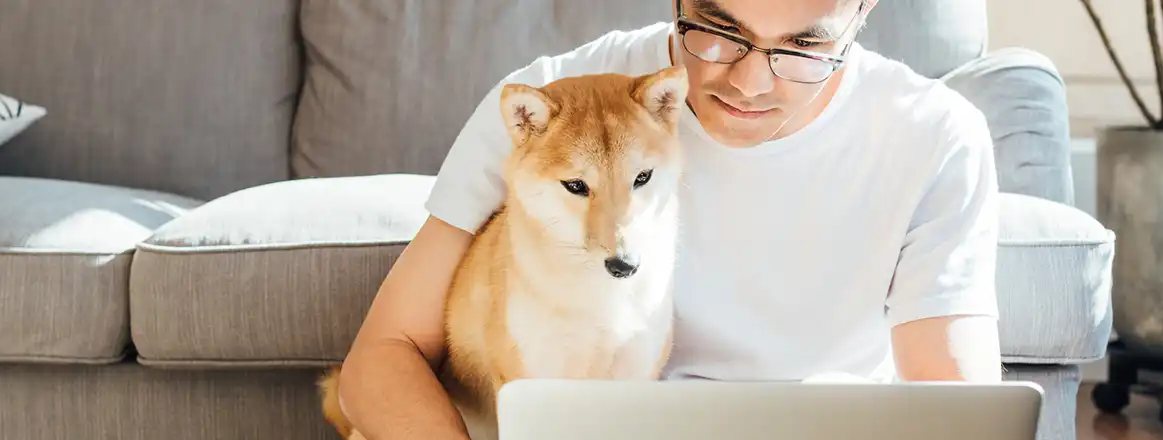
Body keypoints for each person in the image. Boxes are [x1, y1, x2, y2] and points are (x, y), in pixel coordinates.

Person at [334, 0, 1003, 438]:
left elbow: (958, 401)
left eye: (802, 47)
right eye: (717, 32)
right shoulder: (553, 102)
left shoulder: (935, 136)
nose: (748, 83)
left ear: (862, 12)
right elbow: (381, 358)